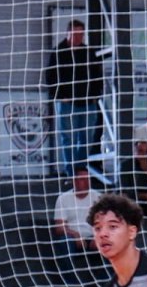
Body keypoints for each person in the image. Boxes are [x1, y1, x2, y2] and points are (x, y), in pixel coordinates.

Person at [44, 19, 103, 178]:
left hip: (87, 103)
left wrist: (95, 96)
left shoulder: (88, 52)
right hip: (67, 104)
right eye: (75, 34)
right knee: (68, 139)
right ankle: (71, 174)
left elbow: (97, 75)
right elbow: (50, 78)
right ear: (68, 33)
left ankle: (81, 171)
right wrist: (59, 97)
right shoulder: (58, 52)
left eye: (81, 34)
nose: (78, 38)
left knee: (86, 138)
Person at [51, 167, 102, 283]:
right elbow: (59, 228)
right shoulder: (63, 199)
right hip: (72, 238)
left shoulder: (98, 197)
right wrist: (75, 235)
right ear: (74, 181)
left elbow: (105, 223)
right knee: (64, 242)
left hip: (93, 236)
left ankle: (105, 282)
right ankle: (70, 284)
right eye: (82, 179)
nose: (86, 182)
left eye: (88, 179)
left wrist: (98, 236)